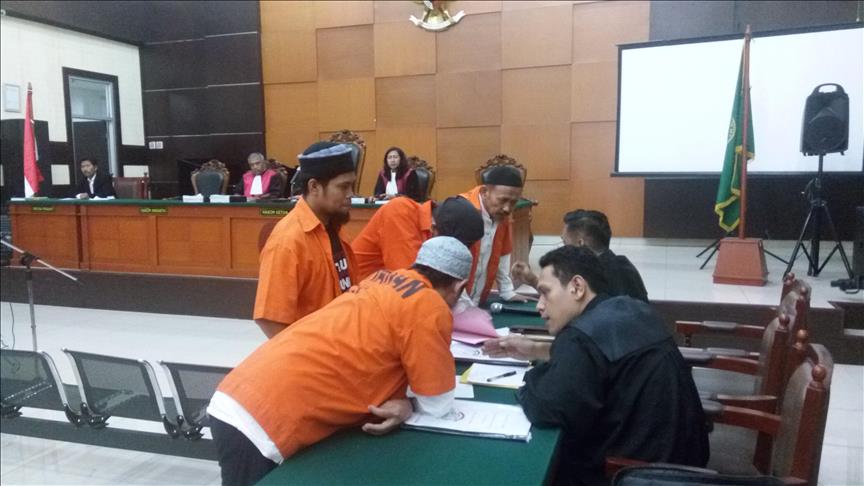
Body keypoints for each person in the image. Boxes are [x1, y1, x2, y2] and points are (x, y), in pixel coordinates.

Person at [208, 237, 472, 486]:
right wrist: (408, 406)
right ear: (459, 286)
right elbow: (437, 404)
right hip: (259, 421)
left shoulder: (379, 280)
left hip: (241, 392)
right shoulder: (429, 304)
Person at [483, 246, 709, 485]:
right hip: (688, 465)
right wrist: (537, 350)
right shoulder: (634, 309)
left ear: (577, 287)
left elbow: (549, 409)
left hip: (634, 475)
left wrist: (530, 380)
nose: (539, 305)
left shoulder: (580, 335)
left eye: (545, 293)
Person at [253, 142, 358, 338]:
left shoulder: (334, 227)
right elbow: (270, 320)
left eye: (352, 185)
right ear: (314, 186)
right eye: (343, 187)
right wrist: (308, 355)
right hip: (316, 353)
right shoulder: (287, 241)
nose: (351, 194)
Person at [511, 209, 649, 302]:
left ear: (580, 244)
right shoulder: (622, 264)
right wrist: (532, 280)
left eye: (565, 242)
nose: (563, 249)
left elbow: (562, 304)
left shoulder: (592, 277)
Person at [351, 195, 484, 280]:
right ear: (434, 228)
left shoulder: (440, 231)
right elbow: (410, 284)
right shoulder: (399, 211)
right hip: (355, 300)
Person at [459, 164, 530, 307]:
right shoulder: (461, 210)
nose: (507, 208)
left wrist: (507, 291)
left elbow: (502, 253)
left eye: (513, 202)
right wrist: (462, 304)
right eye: (502, 200)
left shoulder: (502, 214)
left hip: (479, 300)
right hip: (455, 302)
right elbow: (450, 265)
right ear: (485, 192)